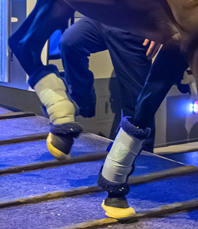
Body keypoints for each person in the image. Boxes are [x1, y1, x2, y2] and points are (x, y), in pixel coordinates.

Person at [59, 16, 153, 148]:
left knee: (136, 99)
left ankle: (143, 155)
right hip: (104, 15)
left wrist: (162, 25)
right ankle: (83, 104)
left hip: (133, 24)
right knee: (70, 41)